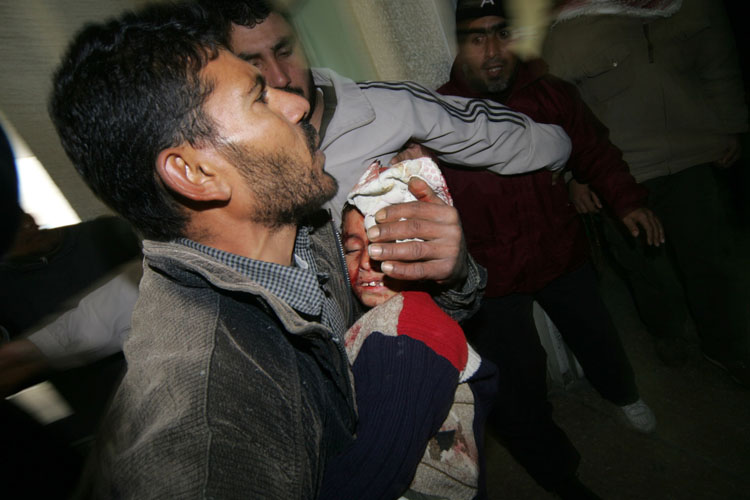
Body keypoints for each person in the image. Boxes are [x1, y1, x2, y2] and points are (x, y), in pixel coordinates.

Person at [46, 2, 531, 496]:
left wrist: (451, 272)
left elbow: (420, 312)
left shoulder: (302, 227)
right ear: (195, 173)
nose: (296, 105)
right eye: (259, 97)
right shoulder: (210, 429)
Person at [408, 0, 663, 497]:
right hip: (492, 274)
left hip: (559, 251)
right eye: (477, 38)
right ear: (460, 46)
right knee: (518, 380)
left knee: (597, 336)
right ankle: (558, 472)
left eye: (501, 34)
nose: (492, 50)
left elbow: (594, 150)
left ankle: (623, 394)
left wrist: (627, 200)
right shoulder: (437, 114)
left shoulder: (552, 94)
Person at [543, 0, 750, 384]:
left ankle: (727, 345)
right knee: (644, 265)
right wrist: (576, 174)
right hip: (621, 170)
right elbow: (561, 112)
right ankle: (668, 331)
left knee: (712, 256)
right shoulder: (570, 27)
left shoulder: (693, 8)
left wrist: (730, 126)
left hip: (695, 155)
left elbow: (719, 66)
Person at [316, 163, 497, 500]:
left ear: (425, 250)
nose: (366, 261)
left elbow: (374, 472)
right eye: (353, 249)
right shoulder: (381, 318)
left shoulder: (407, 336)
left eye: (387, 245)